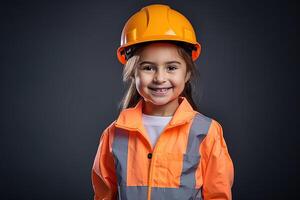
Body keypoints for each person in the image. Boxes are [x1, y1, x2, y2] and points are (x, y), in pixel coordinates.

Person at [91, 4, 234, 200]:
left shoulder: (207, 132)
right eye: (148, 68)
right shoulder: (114, 135)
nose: (160, 78)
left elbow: (218, 195)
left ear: (187, 73)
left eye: (171, 67)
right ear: (133, 73)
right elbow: (104, 195)